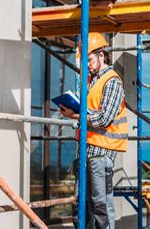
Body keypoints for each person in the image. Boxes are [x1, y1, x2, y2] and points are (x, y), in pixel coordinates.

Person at [59, 32, 128, 229]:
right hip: (86, 152)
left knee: (100, 208)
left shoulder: (112, 81)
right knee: (81, 207)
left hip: (101, 153)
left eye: (89, 59)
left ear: (101, 56)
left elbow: (104, 118)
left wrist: (73, 115)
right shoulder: (92, 82)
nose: (87, 65)